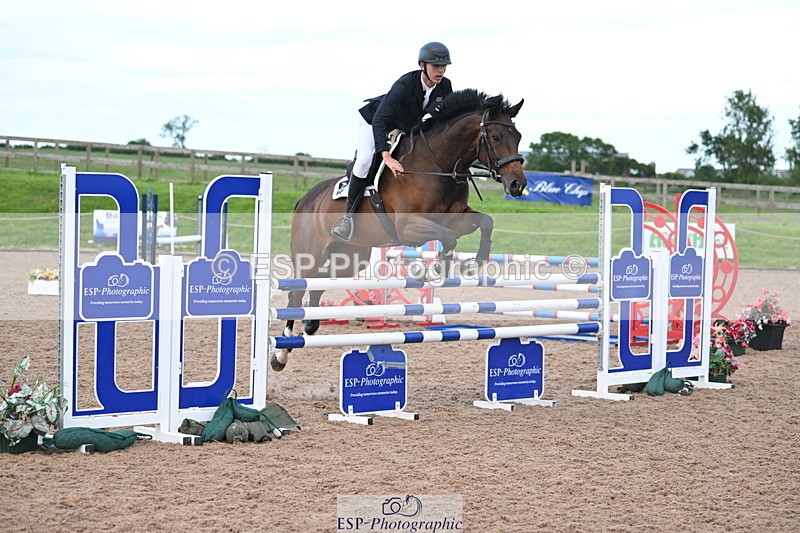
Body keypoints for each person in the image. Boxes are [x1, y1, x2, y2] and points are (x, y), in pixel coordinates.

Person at [331, 41, 454, 241]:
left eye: (444, 66)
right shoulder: (405, 84)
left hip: (403, 126)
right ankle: (347, 218)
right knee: (364, 161)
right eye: (435, 66)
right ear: (422, 65)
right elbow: (380, 119)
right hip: (374, 122)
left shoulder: (445, 86)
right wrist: (386, 155)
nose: (440, 70)